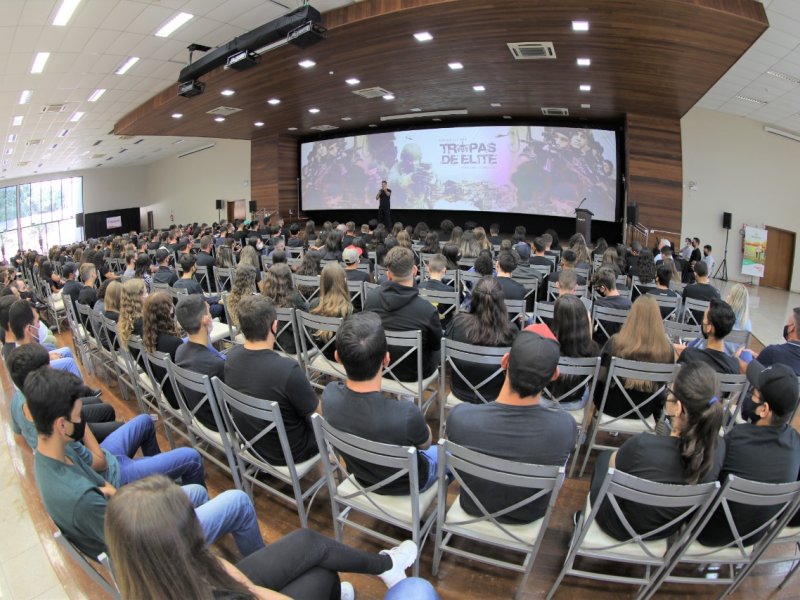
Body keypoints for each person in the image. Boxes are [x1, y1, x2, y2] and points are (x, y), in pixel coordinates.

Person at [26, 368, 265, 560]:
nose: (83, 422)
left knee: (198, 492)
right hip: (151, 551)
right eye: (79, 416)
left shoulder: (54, 451)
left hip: (132, 516)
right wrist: (151, 498)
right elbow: (134, 547)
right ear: (61, 424)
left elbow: (107, 488)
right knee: (239, 502)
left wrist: (123, 494)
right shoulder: (80, 498)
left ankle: (202, 555)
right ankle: (259, 577)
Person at [105, 475, 422, 600]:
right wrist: (249, 589)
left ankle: (385, 564)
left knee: (308, 542)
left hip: (212, 584)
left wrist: (230, 577)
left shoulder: (148, 576)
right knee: (323, 576)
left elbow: (213, 570)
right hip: (230, 593)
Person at [447, 330, 577, 524]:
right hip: (528, 516)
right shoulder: (565, 428)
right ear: (554, 375)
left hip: (473, 506)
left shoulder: (460, 418)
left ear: (505, 361)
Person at [590, 362, 725, 541]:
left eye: (670, 392)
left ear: (678, 408)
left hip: (619, 526)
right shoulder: (718, 449)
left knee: (603, 459)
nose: (667, 395)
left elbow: (613, 466)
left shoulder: (642, 445)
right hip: (664, 530)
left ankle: (583, 520)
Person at [323, 312, 437, 495]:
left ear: (337, 357)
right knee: (449, 454)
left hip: (360, 477)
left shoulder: (329, 396)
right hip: (409, 484)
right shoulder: (407, 414)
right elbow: (426, 444)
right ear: (387, 359)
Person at [698, 361, 800, 546]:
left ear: (764, 409)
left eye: (753, 393)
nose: (749, 396)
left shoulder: (735, 439)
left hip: (711, 534)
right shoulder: (796, 443)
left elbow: (705, 482)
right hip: (754, 536)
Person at [224, 295, 319, 465]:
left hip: (250, 444)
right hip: (290, 454)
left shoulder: (230, 358)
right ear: (275, 326)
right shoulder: (288, 370)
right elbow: (317, 414)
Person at [7, 343, 118, 443]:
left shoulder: (17, 399)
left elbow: (18, 438)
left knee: (102, 406)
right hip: (74, 436)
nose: (52, 368)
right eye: (48, 367)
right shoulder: (48, 411)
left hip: (68, 427)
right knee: (115, 421)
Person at [364, 247, 441, 382]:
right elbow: (436, 345)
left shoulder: (371, 298)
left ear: (388, 274)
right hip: (414, 374)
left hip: (378, 366)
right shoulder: (427, 310)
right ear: (414, 270)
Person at [594, 296, 675, 419]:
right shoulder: (667, 350)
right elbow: (664, 386)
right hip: (646, 411)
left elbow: (599, 377)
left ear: (631, 316)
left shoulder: (615, 343)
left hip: (610, 406)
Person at [446, 277, 517, 403]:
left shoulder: (457, 323)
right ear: (501, 300)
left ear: (474, 298)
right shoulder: (511, 331)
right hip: (495, 395)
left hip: (460, 390)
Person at [541, 294, 600, 411]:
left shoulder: (544, 344)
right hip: (575, 403)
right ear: (584, 319)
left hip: (544, 401)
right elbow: (592, 381)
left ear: (556, 318)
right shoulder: (592, 349)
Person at [174, 295, 225, 430]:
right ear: (206, 320)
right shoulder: (215, 365)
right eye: (209, 311)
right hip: (220, 423)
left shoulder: (180, 351)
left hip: (199, 416)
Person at [142, 292, 183, 408]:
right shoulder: (174, 343)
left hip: (168, 391)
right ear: (169, 310)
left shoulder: (149, 337)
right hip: (180, 398)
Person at [677, 299, 740, 374]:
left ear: (709, 328)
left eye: (704, 319)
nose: (703, 322)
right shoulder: (734, 366)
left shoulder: (689, 355)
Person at [592, 268, 632, 343]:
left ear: (603, 288)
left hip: (601, 344)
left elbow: (592, 327)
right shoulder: (628, 304)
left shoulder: (598, 304)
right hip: (621, 345)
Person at [227, 264, 258, 329]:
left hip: (239, 329)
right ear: (252, 280)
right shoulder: (252, 299)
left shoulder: (230, 297)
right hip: (251, 332)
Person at [118, 278, 146, 350]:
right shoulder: (141, 322)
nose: (147, 295)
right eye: (145, 293)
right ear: (138, 298)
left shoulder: (127, 317)